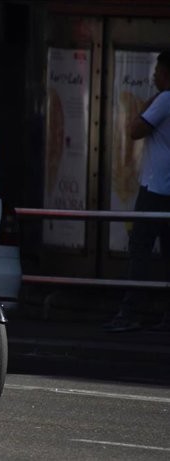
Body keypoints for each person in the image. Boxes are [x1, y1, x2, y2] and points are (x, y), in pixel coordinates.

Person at [104, 51, 170, 333]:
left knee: (140, 247)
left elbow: (134, 129)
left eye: (158, 69)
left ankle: (131, 310)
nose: (154, 75)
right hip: (164, 186)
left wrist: (153, 99)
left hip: (156, 187)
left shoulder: (165, 99)